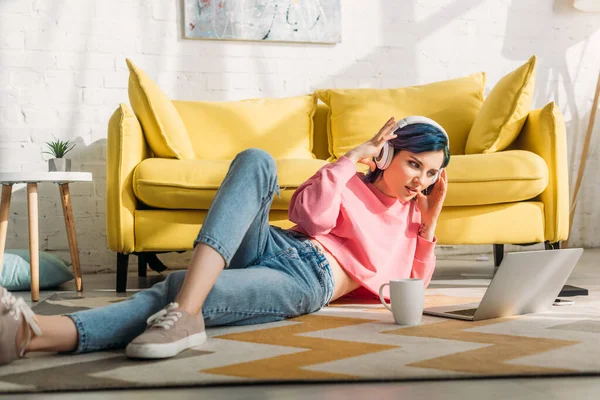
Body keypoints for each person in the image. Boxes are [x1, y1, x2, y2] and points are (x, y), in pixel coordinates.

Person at [0, 116, 450, 365]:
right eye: (413, 164)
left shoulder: (414, 215)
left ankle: (33, 333)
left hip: (306, 282)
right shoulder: (346, 179)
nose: (420, 180)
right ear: (387, 153)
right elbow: (309, 220)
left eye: (430, 173)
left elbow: (411, 287)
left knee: (180, 286)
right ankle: (188, 315)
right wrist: (350, 159)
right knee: (256, 160)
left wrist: (429, 224)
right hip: (278, 245)